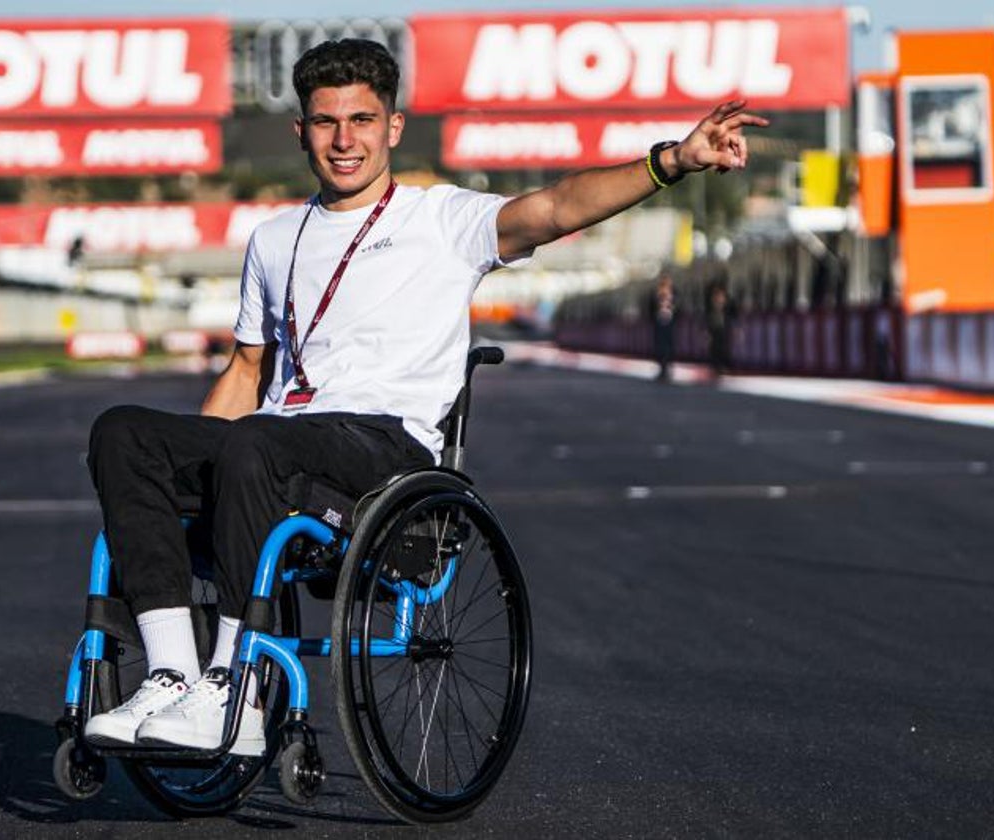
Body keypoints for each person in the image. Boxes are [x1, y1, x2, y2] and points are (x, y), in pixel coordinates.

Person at [83, 38, 766, 752]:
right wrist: (201, 468)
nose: (344, 140)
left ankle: (237, 694)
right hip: (278, 442)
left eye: (362, 120)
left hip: (384, 449)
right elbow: (246, 371)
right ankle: (173, 676)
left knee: (257, 439)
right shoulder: (273, 238)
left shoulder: (443, 221)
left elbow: (557, 208)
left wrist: (672, 162)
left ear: (394, 127)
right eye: (326, 122)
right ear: (301, 131)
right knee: (123, 433)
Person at [649, 274, 677, 381]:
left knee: (669, 345)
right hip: (659, 322)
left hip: (670, 323)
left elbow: (678, 306)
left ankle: (668, 368)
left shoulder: (674, 294)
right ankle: (662, 368)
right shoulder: (656, 295)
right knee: (659, 345)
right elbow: (650, 307)